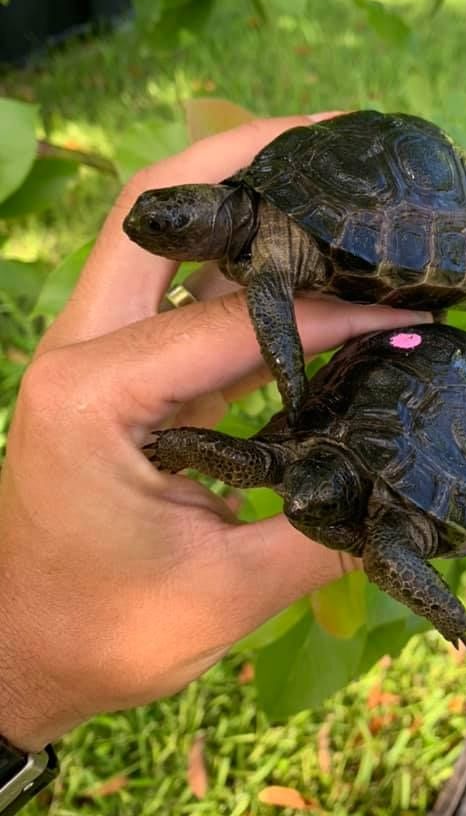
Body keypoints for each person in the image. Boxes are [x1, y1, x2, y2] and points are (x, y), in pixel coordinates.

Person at [0, 115, 431, 790]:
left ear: (217, 210)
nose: (153, 233)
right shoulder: (264, 256)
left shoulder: (271, 244)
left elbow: (275, 341)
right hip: (388, 330)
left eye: (172, 224)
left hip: (399, 272)